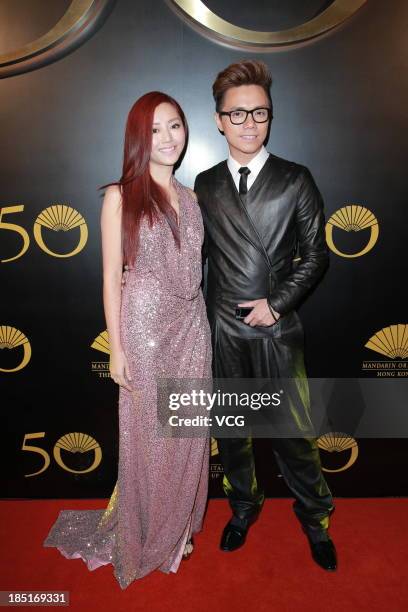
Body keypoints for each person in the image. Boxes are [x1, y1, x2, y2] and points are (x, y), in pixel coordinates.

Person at [43, 92, 212, 589]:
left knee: (187, 433)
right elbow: (110, 278)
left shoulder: (193, 197)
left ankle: (177, 525)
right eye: (155, 129)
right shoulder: (121, 194)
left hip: (192, 327)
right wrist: (116, 347)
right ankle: (147, 529)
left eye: (175, 126)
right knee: (151, 439)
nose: (167, 138)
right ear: (139, 136)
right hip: (145, 332)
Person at [194, 60, 337, 571]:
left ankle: (316, 518)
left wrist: (275, 303)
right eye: (238, 113)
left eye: (260, 112)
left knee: (294, 433)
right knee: (233, 433)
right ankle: (242, 507)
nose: (250, 122)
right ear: (218, 120)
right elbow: (195, 256)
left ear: (270, 117)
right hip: (223, 332)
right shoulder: (205, 185)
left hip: (277, 328)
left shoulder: (296, 178)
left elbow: (317, 255)